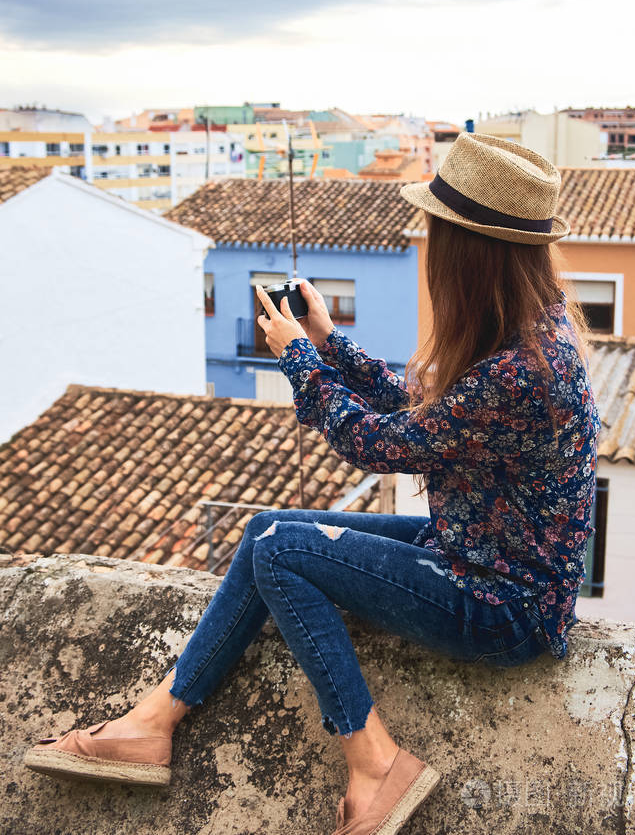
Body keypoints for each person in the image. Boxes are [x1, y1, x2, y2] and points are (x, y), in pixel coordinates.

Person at [25, 133, 602, 835]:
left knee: (282, 552)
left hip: (502, 602)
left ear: (473, 253)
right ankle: (154, 721)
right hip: (472, 551)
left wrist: (299, 360)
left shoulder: (526, 371)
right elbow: (428, 412)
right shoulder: (521, 335)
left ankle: (375, 760)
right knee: (266, 528)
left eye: (439, 235)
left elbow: (380, 442)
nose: (431, 249)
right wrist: (330, 343)